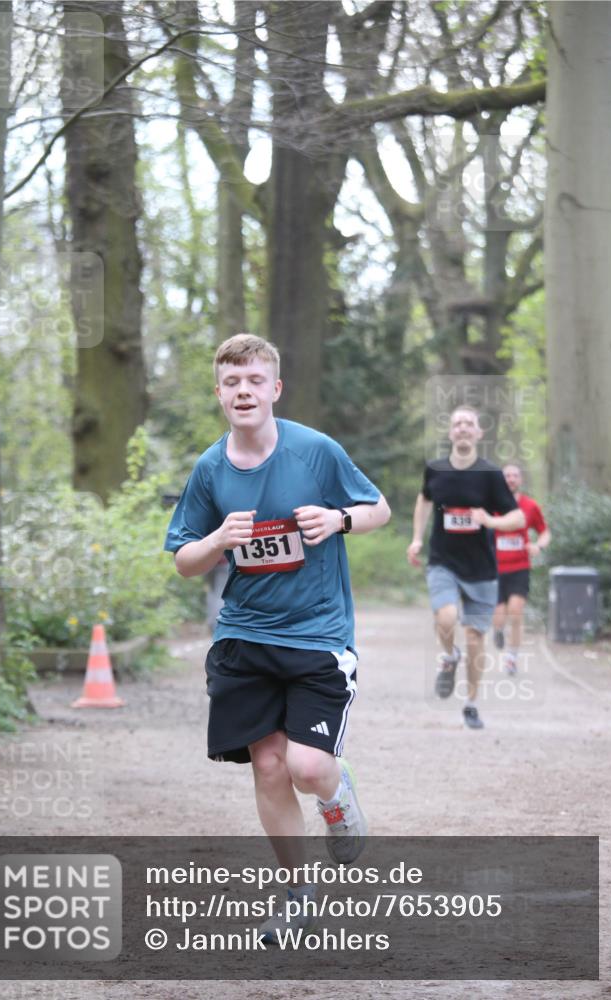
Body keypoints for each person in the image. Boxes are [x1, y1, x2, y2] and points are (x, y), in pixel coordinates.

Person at [163, 333, 391, 939]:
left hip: (317, 634)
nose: (244, 391)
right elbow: (183, 558)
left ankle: (337, 799)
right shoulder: (210, 469)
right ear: (219, 393)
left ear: (275, 389)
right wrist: (216, 543)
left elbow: (378, 508)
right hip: (244, 636)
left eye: (255, 381)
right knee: (267, 767)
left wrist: (339, 519)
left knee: (308, 767)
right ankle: (298, 893)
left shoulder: (315, 452)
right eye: (232, 382)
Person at [407, 406, 525, 730]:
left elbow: (518, 518)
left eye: (468, 424)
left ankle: (471, 703)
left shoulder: (490, 474)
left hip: (482, 568)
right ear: (450, 432)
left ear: (478, 433)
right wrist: (417, 538)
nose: (462, 428)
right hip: (443, 561)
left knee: (475, 638)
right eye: (457, 423)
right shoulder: (435, 469)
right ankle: (449, 656)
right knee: (444, 617)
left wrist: (491, 520)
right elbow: (424, 500)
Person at [492, 463, 551, 674]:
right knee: (498, 615)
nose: (510, 479)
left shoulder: (530, 506)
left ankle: (512, 657)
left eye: (514, 475)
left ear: (520, 480)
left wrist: (539, 545)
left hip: (519, 566)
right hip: (495, 568)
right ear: (502, 480)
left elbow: (545, 532)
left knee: (516, 611)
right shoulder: (493, 504)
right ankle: (498, 630)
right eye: (506, 475)